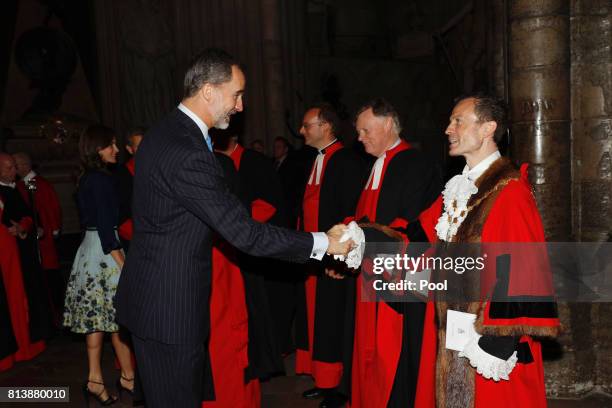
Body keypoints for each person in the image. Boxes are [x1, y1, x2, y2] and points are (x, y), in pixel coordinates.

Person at [114, 48, 352, 408]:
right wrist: (324, 244)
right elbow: (245, 234)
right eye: (237, 94)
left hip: (150, 298)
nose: (240, 106)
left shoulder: (164, 131)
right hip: (170, 309)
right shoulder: (188, 151)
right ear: (209, 91)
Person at [414, 94, 560, 408]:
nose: (448, 129)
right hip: (451, 331)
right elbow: (419, 234)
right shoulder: (460, 187)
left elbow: (523, 271)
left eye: (458, 121)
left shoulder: (509, 192)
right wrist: (362, 237)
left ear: (487, 129)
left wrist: (496, 343)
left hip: (485, 339)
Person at [338, 98, 441, 408]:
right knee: (368, 351)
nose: (359, 138)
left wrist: (358, 235)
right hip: (369, 273)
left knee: (391, 353)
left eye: (365, 130)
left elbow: (408, 226)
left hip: (396, 277)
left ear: (386, 125)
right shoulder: (377, 164)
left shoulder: (414, 163)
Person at [294, 103, 366, 405]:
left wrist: (337, 258)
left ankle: (336, 387)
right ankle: (322, 380)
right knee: (315, 321)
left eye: (307, 125)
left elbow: (352, 215)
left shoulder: (346, 161)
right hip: (313, 254)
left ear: (326, 127)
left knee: (334, 322)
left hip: (333, 258)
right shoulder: (315, 160)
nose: (302, 131)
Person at [63, 125, 135, 406]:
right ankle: (118, 378)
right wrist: (125, 267)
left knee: (101, 321)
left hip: (88, 252)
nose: (115, 150)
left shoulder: (86, 179)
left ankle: (109, 378)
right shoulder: (101, 180)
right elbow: (108, 232)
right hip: (105, 254)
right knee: (115, 320)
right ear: (97, 148)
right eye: (110, 145)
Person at [0, 153, 52, 351]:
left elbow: (30, 214)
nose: (14, 171)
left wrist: (28, 225)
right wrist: (19, 227)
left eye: (14, 167)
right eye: (9, 168)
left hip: (26, 252)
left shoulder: (20, 187)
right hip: (12, 255)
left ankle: (36, 339)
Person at [13, 152, 63, 325]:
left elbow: (51, 208)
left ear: (25, 165)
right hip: (30, 238)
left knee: (49, 277)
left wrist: (53, 230)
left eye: (16, 165)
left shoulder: (40, 184)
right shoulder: (19, 185)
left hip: (43, 239)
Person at [115, 127, 146, 250]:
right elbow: (120, 218)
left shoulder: (159, 170)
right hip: (135, 241)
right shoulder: (122, 176)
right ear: (129, 149)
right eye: (139, 146)